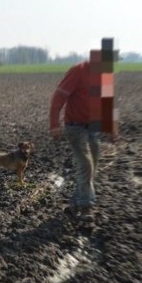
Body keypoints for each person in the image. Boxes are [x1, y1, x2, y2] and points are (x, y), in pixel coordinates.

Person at [49, 60, 102, 220]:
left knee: (92, 166)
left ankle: (75, 203)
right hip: (75, 127)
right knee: (86, 164)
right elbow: (58, 97)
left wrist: (113, 129)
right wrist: (54, 124)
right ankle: (86, 206)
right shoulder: (77, 71)